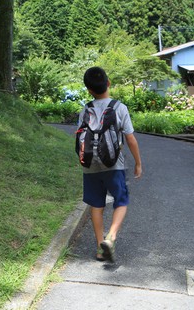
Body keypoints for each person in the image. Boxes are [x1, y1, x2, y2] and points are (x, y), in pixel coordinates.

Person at [77, 66, 143, 262]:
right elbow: (130, 139)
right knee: (121, 200)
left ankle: (99, 247)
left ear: (89, 89)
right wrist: (138, 163)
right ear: (108, 83)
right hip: (114, 164)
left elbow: (81, 137)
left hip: (90, 165)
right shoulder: (119, 108)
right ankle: (111, 236)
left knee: (96, 205)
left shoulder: (85, 110)